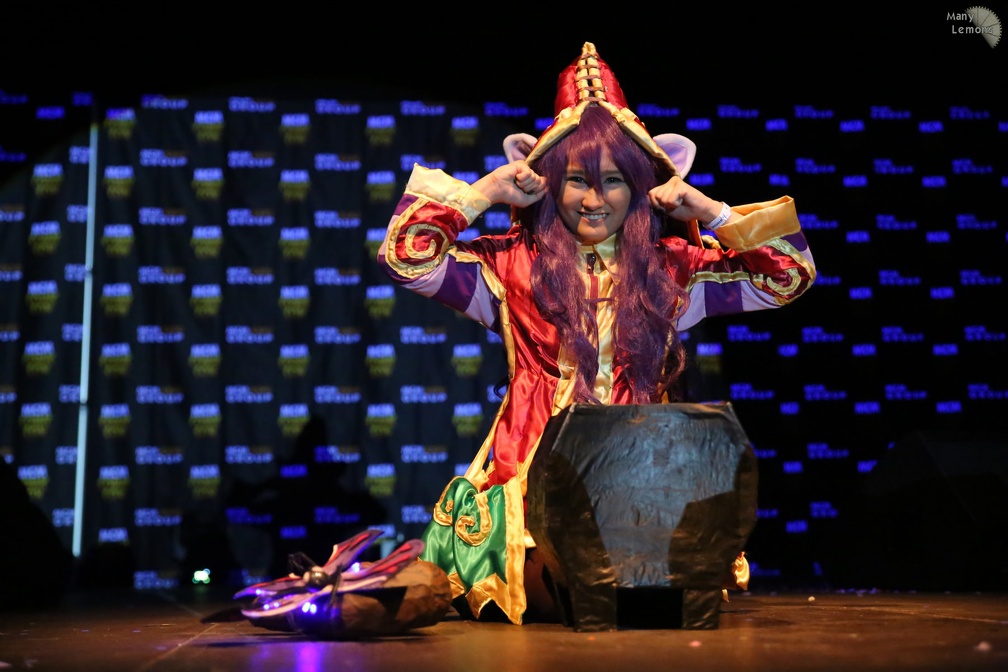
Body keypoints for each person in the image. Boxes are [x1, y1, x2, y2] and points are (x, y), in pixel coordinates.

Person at [377, 42, 816, 625]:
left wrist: (709, 210)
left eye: (613, 180)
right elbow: (407, 257)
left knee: (642, 598)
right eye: (575, 180)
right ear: (547, 183)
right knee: (561, 592)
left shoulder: (673, 268)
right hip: (529, 481)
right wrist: (487, 191)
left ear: (640, 185)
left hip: (646, 483)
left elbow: (787, 277)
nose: (593, 200)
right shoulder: (508, 265)